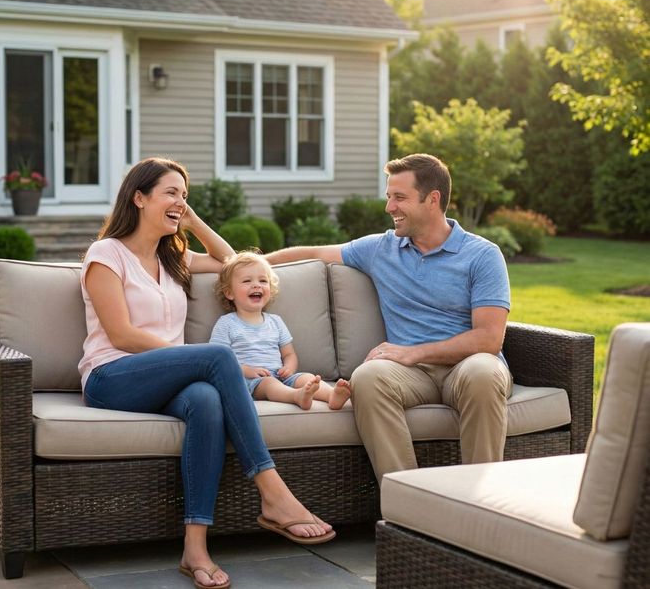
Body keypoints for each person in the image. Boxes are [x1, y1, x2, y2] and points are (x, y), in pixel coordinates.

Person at [78, 158, 335, 589]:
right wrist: (196, 357)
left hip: (168, 378)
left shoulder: (174, 256)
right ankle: (273, 493)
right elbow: (121, 334)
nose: (179, 201)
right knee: (217, 358)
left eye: (185, 194)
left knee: (206, 399)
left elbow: (232, 262)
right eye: (170, 194)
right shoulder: (106, 254)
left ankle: (194, 548)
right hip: (111, 376)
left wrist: (190, 219)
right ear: (138, 198)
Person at [265, 153, 513, 484]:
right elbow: (312, 254)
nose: (389, 207)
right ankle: (407, 503)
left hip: (467, 365)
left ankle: (480, 502)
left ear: (432, 200)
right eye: (388, 197)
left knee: (484, 372)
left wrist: (415, 352)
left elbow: (488, 338)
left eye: (399, 198)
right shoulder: (382, 248)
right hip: (410, 374)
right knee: (367, 378)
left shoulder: (482, 255)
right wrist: (242, 262)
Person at [210, 252, 351, 410]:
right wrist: (247, 371)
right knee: (270, 384)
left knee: (307, 377)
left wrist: (289, 367)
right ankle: (296, 396)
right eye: (247, 281)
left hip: (282, 376)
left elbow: (288, 354)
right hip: (251, 381)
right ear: (229, 293)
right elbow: (217, 360)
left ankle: (331, 395)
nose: (256, 285)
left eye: (263, 280)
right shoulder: (227, 323)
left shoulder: (275, 321)